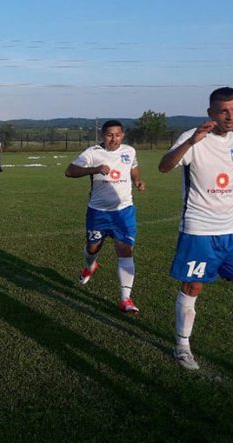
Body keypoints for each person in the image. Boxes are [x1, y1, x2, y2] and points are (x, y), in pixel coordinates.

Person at [158, 87, 233, 376]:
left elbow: (232, 180)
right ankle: (182, 346)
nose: (230, 116)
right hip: (199, 229)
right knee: (192, 287)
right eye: (223, 111)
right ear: (210, 113)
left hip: (232, 230)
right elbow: (164, 167)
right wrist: (190, 142)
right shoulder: (192, 137)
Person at [64, 119, 145, 314]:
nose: (113, 139)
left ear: (122, 135)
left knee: (125, 250)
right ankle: (90, 266)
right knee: (92, 249)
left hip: (124, 211)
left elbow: (133, 167)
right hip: (98, 212)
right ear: (103, 136)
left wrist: (137, 180)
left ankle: (125, 299)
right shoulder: (92, 153)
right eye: (109, 135)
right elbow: (69, 171)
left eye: (117, 135)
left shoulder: (129, 151)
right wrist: (94, 169)